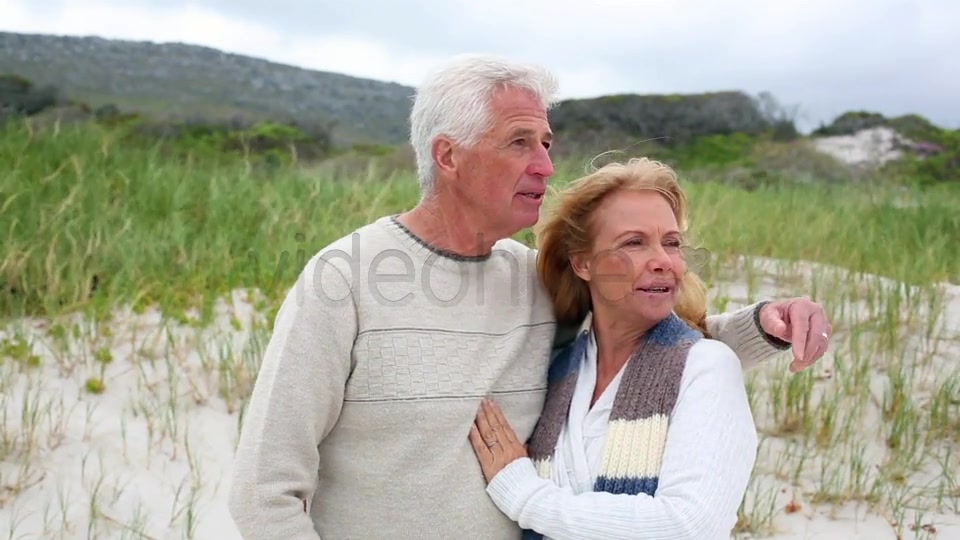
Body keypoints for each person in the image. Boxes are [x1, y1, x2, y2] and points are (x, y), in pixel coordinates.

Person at [227, 54, 832, 539]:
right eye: (520, 143)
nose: (545, 165)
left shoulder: (530, 278)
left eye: (547, 143)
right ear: (449, 156)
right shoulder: (344, 278)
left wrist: (767, 326)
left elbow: (647, 344)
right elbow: (263, 489)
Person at [470, 157, 758, 539]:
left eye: (671, 243)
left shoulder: (707, 366)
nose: (663, 261)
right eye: (634, 243)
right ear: (583, 263)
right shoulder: (561, 370)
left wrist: (524, 495)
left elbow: (689, 525)